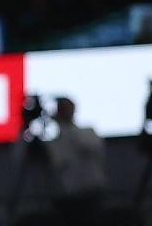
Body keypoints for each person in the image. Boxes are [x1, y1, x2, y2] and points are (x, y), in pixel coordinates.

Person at [45, 97, 106, 226]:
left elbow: (89, 147)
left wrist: (66, 125)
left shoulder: (88, 132)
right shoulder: (53, 142)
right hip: (66, 197)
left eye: (65, 108)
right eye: (61, 108)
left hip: (91, 193)